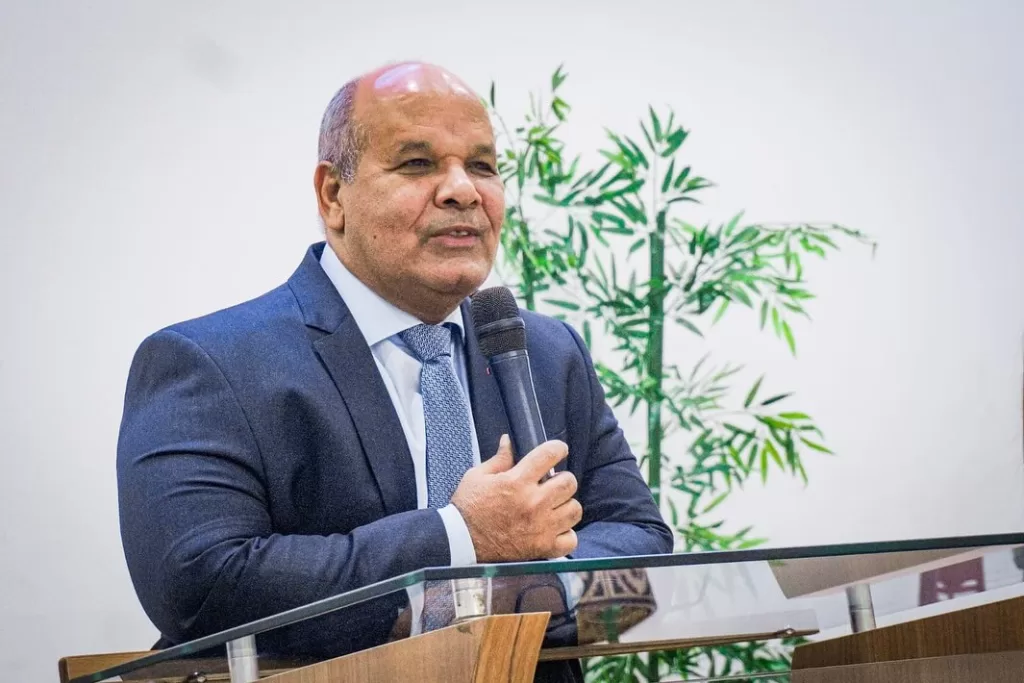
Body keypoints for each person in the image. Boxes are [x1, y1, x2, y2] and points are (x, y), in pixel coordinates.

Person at [117, 61, 672, 682]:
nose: (463, 191)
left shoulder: (548, 351)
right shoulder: (209, 362)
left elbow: (641, 545)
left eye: (482, 166)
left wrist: (514, 598)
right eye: (417, 163)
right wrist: (460, 538)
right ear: (333, 196)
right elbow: (200, 585)